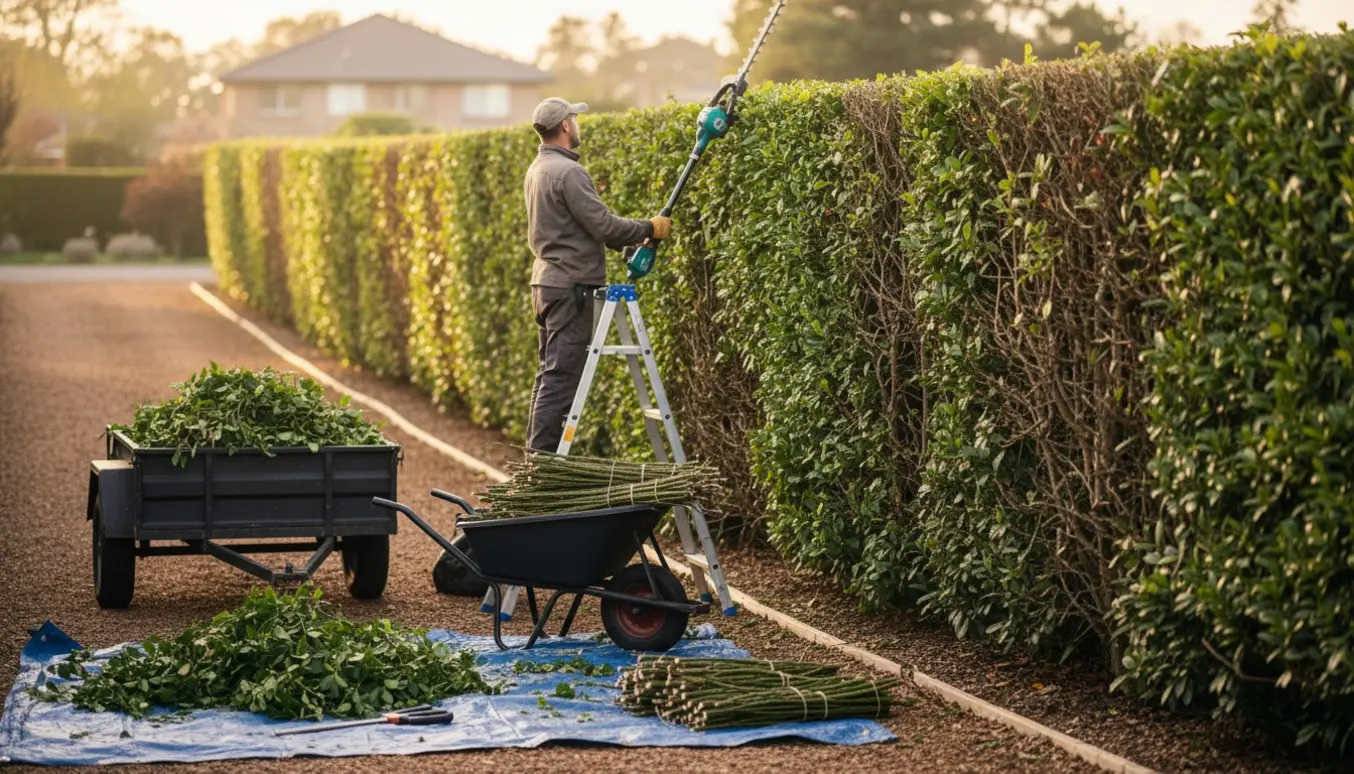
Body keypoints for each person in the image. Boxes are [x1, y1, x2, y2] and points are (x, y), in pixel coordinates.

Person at [523, 97, 672, 453]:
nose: (577, 124)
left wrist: (627, 244)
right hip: (570, 287)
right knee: (561, 379)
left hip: (546, 283)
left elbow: (575, 228)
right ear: (565, 125)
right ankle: (542, 469)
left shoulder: (538, 168)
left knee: (548, 376)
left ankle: (535, 462)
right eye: (574, 118)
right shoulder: (569, 172)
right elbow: (603, 225)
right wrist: (649, 227)